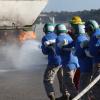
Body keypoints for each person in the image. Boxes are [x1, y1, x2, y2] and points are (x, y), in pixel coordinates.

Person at [70, 16, 93, 100]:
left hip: (85, 69)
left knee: (83, 91)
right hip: (89, 67)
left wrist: (74, 51)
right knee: (90, 90)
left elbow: (79, 53)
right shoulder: (84, 37)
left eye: (72, 27)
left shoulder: (79, 39)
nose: (71, 29)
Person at [55, 24, 79, 100]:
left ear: (57, 30)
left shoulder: (58, 38)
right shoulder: (69, 36)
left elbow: (58, 53)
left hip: (68, 64)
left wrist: (58, 46)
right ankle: (66, 96)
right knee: (68, 81)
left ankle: (77, 97)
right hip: (76, 63)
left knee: (69, 83)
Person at [41, 23, 63, 100]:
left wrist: (43, 47)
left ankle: (52, 96)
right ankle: (66, 95)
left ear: (45, 30)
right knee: (62, 79)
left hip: (54, 62)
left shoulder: (45, 37)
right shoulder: (57, 35)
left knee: (47, 80)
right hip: (63, 60)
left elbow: (45, 51)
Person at [85, 20, 100, 100]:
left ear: (90, 28)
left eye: (87, 30)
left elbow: (93, 52)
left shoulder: (94, 36)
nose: (86, 32)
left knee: (96, 86)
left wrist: (86, 50)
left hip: (98, 64)